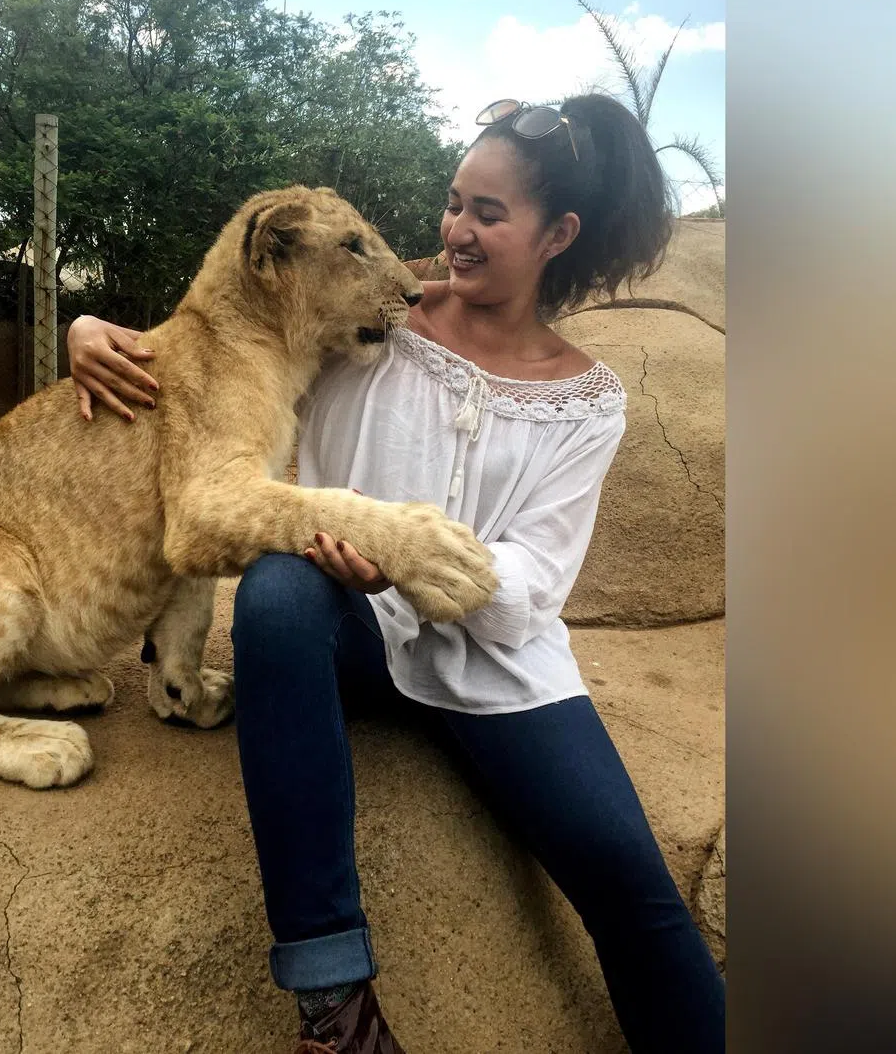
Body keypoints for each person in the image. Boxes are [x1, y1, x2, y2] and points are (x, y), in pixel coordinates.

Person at [67, 94, 726, 1054]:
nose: (455, 231)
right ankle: (334, 1009)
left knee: (637, 894)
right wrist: (91, 329)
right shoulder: (376, 310)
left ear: (559, 236)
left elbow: (537, 579)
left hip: (496, 665)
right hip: (350, 631)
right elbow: (222, 334)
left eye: (488, 214)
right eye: (455, 202)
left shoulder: (589, 400)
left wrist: (410, 565)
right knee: (278, 595)